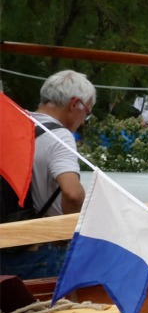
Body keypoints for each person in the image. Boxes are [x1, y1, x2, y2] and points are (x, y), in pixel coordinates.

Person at [0, 70, 96, 279]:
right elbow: (73, 193)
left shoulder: (14, 124)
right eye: (87, 112)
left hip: (5, 243)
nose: (84, 120)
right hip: (38, 252)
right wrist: (66, 236)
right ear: (75, 104)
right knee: (44, 311)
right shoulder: (60, 136)